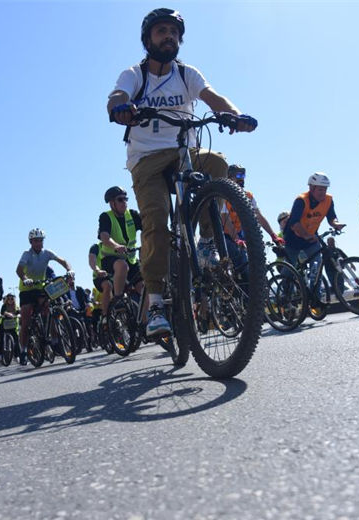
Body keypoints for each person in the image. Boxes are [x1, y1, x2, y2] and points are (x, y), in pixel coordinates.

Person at [108, 8, 257, 336]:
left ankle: (206, 242)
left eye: (174, 32)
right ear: (148, 39)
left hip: (184, 152)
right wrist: (120, 108)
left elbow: (212, 97)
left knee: (217, 162)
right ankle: (156, 303)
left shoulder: (187, 73)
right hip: (146, 159)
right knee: (156, 222)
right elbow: (118, 95)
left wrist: (234, 114)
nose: (169, 37)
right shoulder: (135, 74)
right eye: (161, 31)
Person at [16, 228, 73, 365]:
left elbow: (63, 261)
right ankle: (23, 350)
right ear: (31, 242)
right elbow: (19, 270)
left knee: (49, 309)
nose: (38, 243)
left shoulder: (47, 253)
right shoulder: (27, 254)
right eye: (35, 241)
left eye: (40, 240)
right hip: (27, 289)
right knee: (26, 321)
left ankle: (55, 342)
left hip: (40, 287)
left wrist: (69, 270)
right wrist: (25, 279)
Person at [283, 172, 346, 288]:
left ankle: (315, 294)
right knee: (290, 269)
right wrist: (306, 235)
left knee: (317, 265)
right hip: (293, 238)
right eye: (320, 189)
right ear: (311, 188)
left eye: (325, 189)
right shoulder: (301, 200)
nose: (323, 193)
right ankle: (285, 294)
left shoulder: (328, 200)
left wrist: (336, 224)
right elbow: (294, 223)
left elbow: (331, 217)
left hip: (311, 238)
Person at [97, 185, 144, 316]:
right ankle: (118, 300)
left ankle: (145, 322)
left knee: (144, 288)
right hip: (110, 259)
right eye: (120, 199)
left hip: (131, 259)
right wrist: (116, 246)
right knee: (122, 266)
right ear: (112, 203)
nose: (124, 202)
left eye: (125, 199)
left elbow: (146, 229)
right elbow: (105, 237)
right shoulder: (106, 217)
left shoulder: (132, 215)